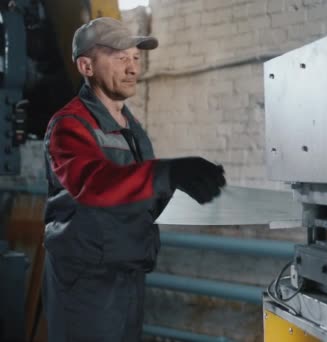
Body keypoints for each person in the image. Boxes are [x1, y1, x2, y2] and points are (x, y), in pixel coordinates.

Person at [42, 17, 226, 341]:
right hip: (87, 281)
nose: (132, 69)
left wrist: (186, 191)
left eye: (135, 58)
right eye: (119, 58)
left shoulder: (132, 127)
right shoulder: (69, 125)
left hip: (128, 273)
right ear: (86, 66)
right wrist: (168, 172)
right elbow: (92, 184)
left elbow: (139, 189)